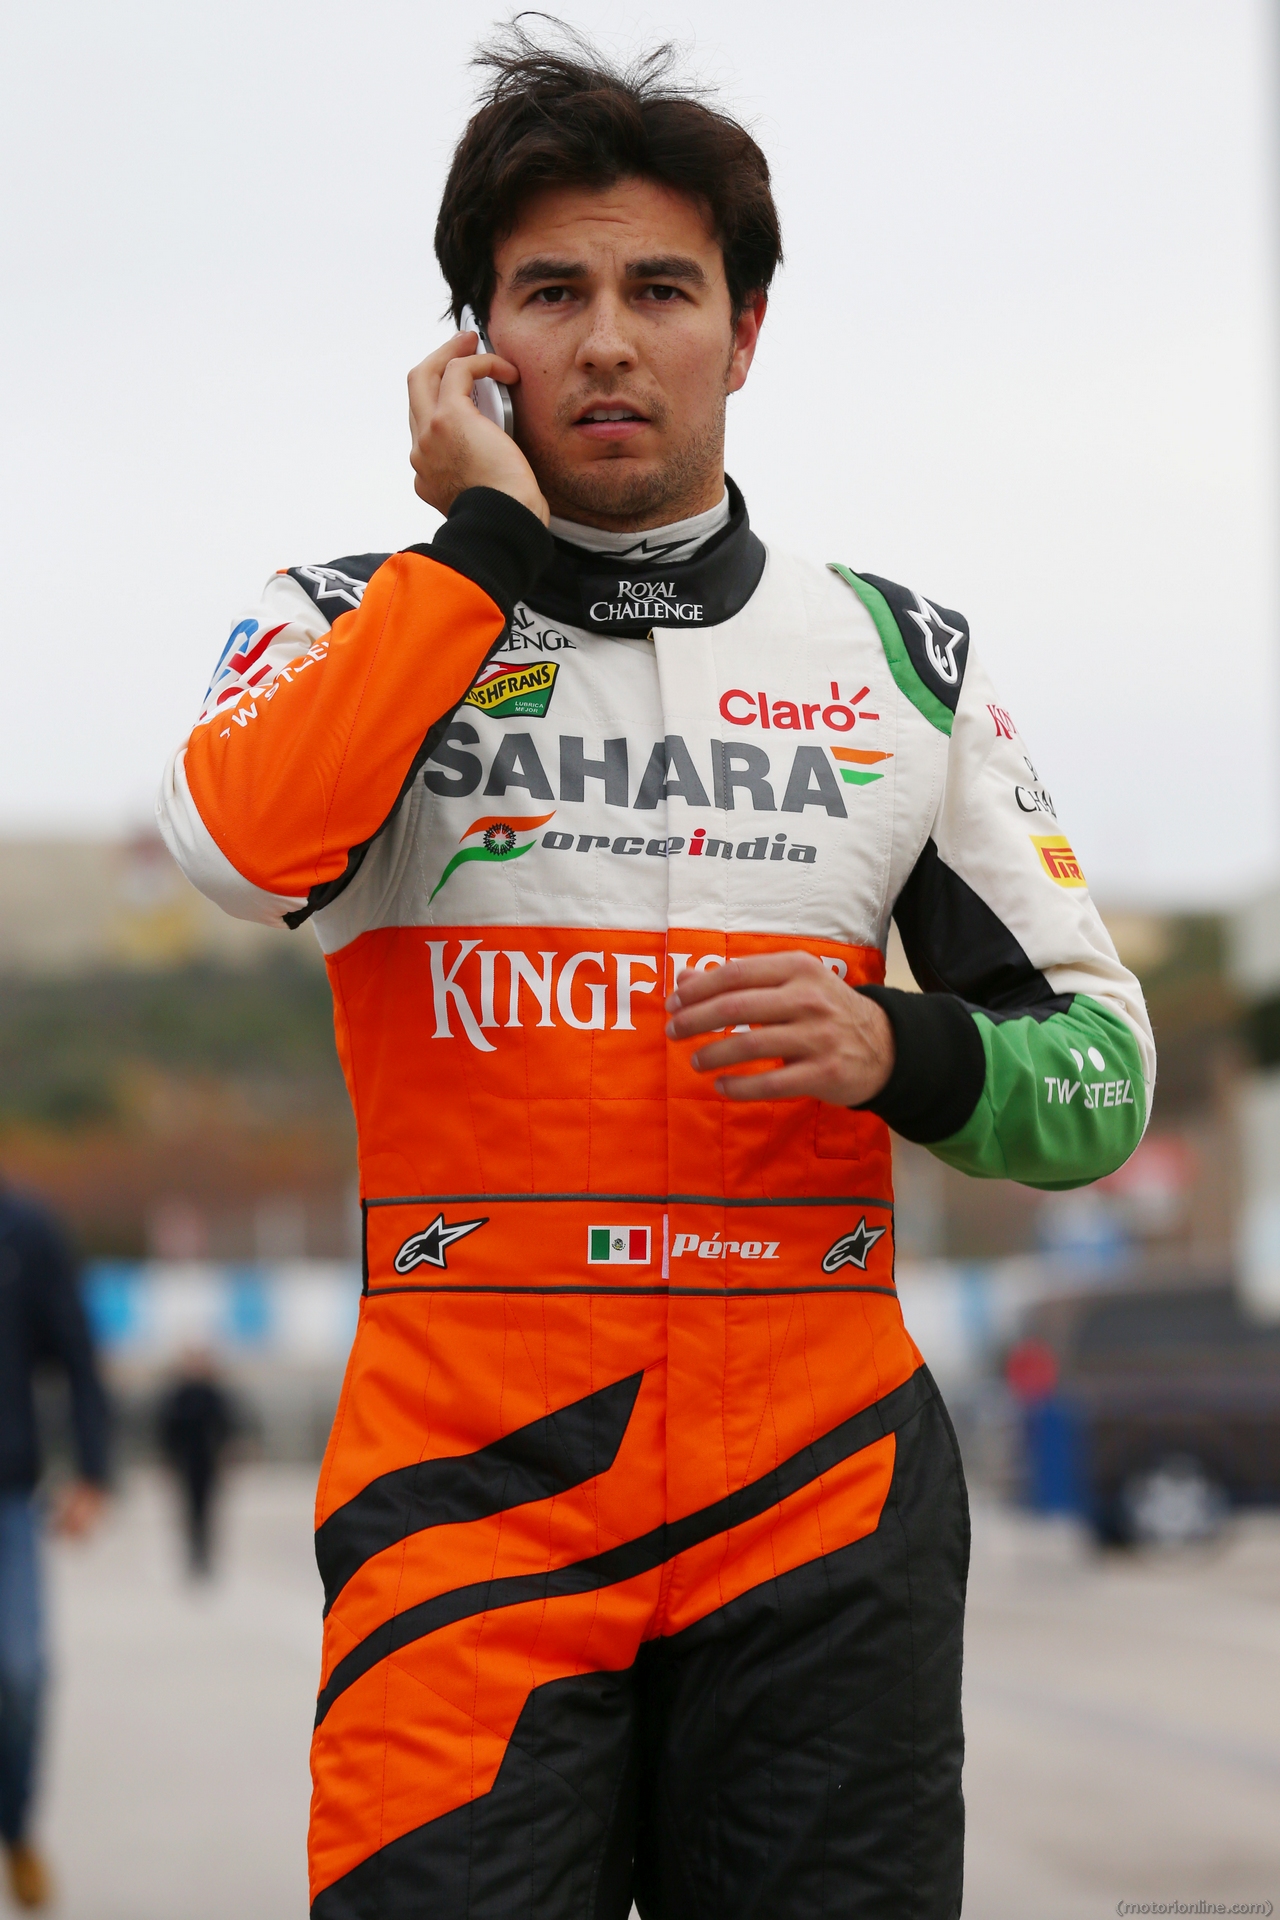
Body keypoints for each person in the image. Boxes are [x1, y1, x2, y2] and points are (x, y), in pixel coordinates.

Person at [158, 26, 1154, 1918]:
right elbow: (236, 843)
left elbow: (1101, 1073)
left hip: (823, 1502)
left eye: (660, 289)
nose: (608, 341)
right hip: (468, 1505)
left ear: (746, 332)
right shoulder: (347, 620)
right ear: (476, 349)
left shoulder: (898, 658)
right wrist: (474, 558)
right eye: (554, 292)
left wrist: (898, 1046)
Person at [0, 1186, 109, 1911]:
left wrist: (92, 1471)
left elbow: (76, 1352)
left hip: (8, 1497)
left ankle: (16, 1826)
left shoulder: (27, 1230)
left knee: (22, 1674)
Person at [156, 1351, 235, 1578]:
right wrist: (168, 1459)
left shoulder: (213, 1395)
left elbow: (226, 1427)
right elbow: (167, 1431)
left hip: (208, 1462)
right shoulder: (178, 1396)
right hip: (186, 1463)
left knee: (208, 1510)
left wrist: (226, 1455)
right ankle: (193, 1553)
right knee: (188, 1510)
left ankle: (205, 1554)